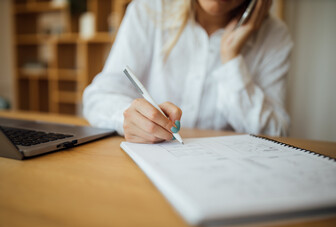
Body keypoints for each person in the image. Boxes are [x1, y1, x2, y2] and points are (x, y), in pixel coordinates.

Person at [83, 0, 293, 143]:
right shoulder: (148, 9)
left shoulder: (275, 36)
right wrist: (127, 119)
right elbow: (99, 96)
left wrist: (230, 58)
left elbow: (275, 135)